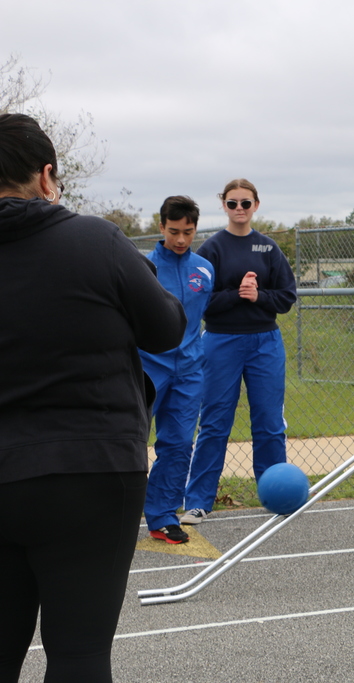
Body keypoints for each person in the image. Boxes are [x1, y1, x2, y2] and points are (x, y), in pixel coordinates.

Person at [0, 113, 186, 681]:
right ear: (46, 177)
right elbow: (166, 329)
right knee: (78, 653)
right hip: (92, 466)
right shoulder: (93, 240)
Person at [181, 179, 297, 525]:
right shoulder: (211, 249)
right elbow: (200, 301)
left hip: (265, 343)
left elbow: (286, 297)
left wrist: (259, 296)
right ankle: (198, 501)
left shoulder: (268, 248)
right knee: (214, 424)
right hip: (221, 342)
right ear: (224, 205)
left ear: (256, 205)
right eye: (232, 203)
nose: (239, 209)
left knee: (270, 424)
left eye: (246, 203)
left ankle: (276, 496)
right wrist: (236, 294)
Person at [141, 196, 214, 544]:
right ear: (161, 227)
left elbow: (203, 316)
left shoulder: (205, 269)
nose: (181, 239)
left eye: (188, 232)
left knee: (180, 443)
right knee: (128, 441)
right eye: (173, 232)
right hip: (147, 367)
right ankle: (112, 514)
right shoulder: (143, 267)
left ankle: (162, 517)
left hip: (189, 370)